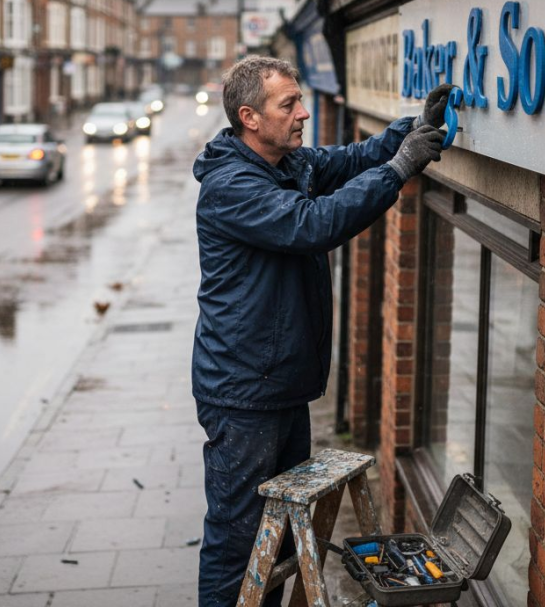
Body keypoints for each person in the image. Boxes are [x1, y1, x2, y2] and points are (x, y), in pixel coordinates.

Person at [191, 55, 452, 606]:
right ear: (250, 117)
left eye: (301, 100)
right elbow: (311, 224)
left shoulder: (285, 162)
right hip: (243, 394)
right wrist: (400, 169)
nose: (304, 113)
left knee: (281, 534)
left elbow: (350, 158)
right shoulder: (232, 185)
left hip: (280, 384)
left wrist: (408, 131)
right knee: (238, 543)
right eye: (289, 104)